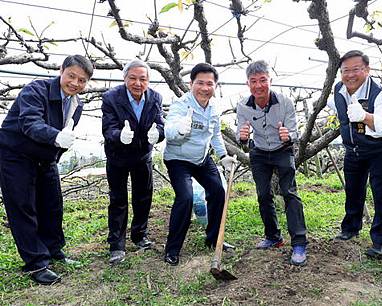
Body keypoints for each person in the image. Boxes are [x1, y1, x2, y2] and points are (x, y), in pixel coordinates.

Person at [0, 55, 93, 285]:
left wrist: (56, 151)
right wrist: (56, 137)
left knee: (52, 205)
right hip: (15, 154)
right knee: (23, 207)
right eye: (71, 76)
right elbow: (30, 123)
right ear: (61, 71)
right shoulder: (36, 90)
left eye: (81, 80)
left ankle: (53, 250)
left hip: (44, 157)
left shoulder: (76, 104)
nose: (75, 83)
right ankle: (36, 263)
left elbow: (66, 137)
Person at [163, 63, 237, 266]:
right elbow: (168, 130)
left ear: (215, 86)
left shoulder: (214, 107)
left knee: (218, 191)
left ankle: (213, 239)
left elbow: (215, 135)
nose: (205, 88)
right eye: (200, 83)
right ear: (191, 83)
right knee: (185, 198)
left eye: (210, 84)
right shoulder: (181, 104)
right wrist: (178, 129)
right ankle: (172, 249)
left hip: (201, 159)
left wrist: (223, 156)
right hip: (178, 159)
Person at [236, 60, 308, 266]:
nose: (259, 85)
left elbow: (294, 131)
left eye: (263, 80)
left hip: (282, 150)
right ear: (248, 84)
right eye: (253, 81)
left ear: (270, 80)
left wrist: (288, 134)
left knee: (289, 193)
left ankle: (299, 243)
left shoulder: (285, 102)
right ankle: (273, 236)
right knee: (263, 194)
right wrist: (242, 136)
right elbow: (242, 135)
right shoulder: (242, 106)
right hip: (259, 152)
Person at [327, 50, 382, 258]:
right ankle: (350, 228)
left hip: (378, 150)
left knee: (381, 194)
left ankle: (381, 241)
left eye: (355, 69)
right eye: (345, 70)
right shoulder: (339, 90)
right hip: (353, 149)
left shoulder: (380, 93)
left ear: (366, 69)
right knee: (353, 191)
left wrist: (365, 116)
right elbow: (337, 108)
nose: (350, 75)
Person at [102, 59, 164, 265]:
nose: (138, 83)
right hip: (117, 156)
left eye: (143, 79)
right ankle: (116, 245)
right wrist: (119, 135)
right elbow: (108, 128)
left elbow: (160, 123)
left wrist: (159, 133)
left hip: (142, 155)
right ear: (125, 78)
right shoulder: (111, 98)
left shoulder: (155, 97)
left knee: (143, 196)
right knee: (118, 199)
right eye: (133, 78)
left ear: (148, 81)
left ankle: (139, 235)